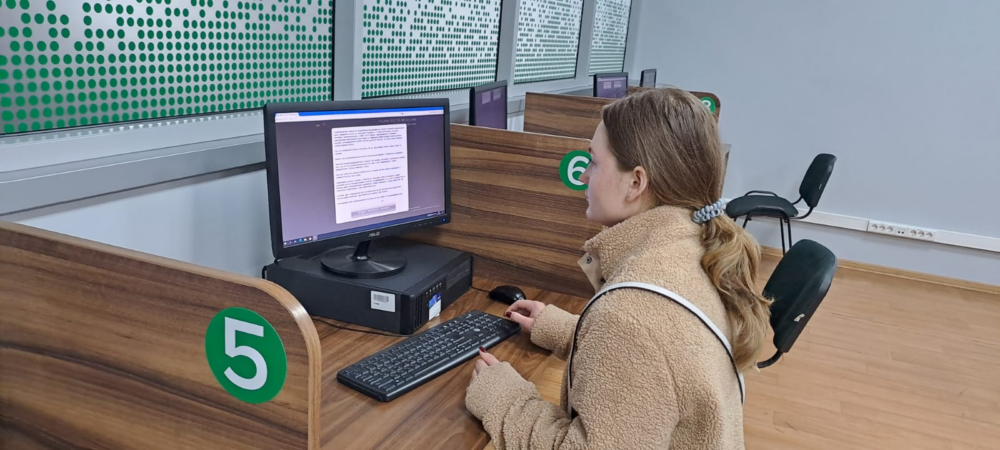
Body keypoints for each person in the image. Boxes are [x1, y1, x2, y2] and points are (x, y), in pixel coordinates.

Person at [465, 88, 771, 449]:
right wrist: (570, 331)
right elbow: (661, 360)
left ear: (636, 182)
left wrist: (505, 399)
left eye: (594, 162)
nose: (583, 176)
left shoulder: (630, 317)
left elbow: (638, 336)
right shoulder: (693, 250)